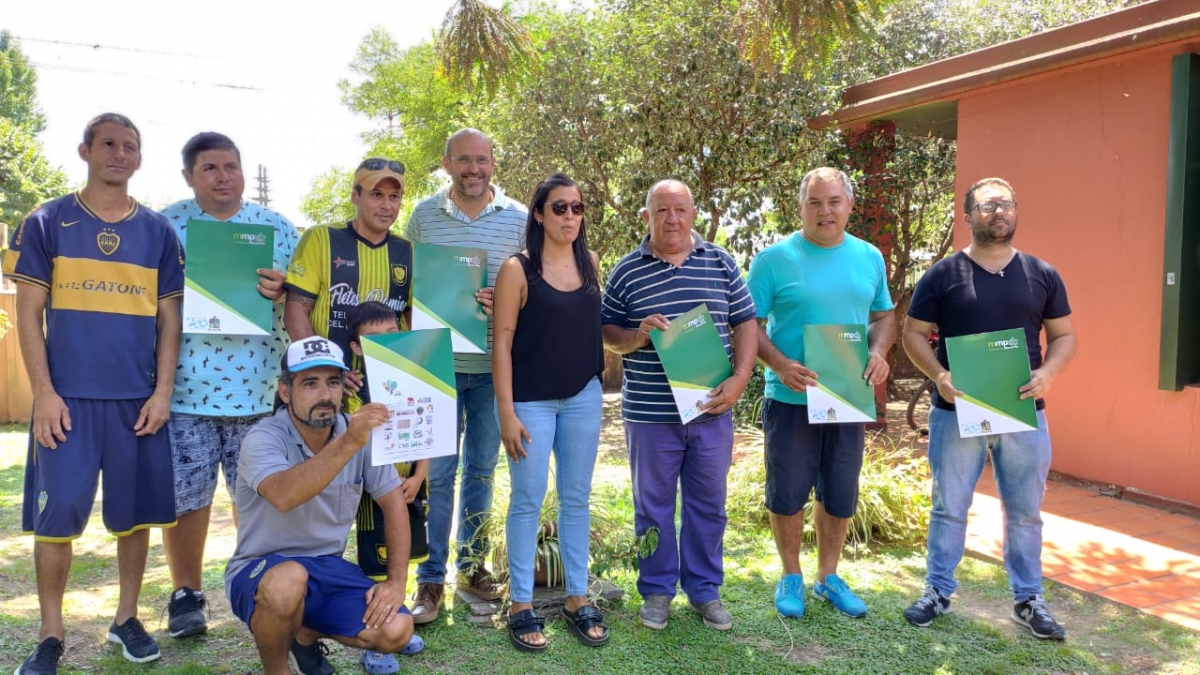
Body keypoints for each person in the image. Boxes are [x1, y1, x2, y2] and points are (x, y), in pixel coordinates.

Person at [3, 113, 184, 672]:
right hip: (68, 402)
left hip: (137, 403)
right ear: (85, 150)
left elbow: (169, 321)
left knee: (134, 519)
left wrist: (161, 394)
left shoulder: (158, 232)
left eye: (131, 146)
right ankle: (50, 635)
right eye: (109, 143)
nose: (120, 153)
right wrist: (45, 393)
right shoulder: (46, 221)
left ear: (139, 158)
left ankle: (126, 619)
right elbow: (28, 314)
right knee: (55, 521)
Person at [901, 177, 1076, 639]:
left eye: (1005, 204)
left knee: (1024, 511)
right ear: (968, 216)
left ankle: (1028, 598)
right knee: (949, 506)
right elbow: (912, 334)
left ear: (1016, 211)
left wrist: (1049, 374)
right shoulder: (943, 274)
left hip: (1024, 413)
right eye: (986, 205)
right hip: (955, 413)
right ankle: (937, 590)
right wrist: (939, 375)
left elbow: (1064, 337)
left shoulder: (1042, 273)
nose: (998, 212)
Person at [159, 131, 300, 639]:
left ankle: (259, 586)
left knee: (258, 498)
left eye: (231, 166)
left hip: (260, 390)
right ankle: (186, 594)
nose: (224, 177)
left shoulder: (277, 227)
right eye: (211, 169)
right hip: (184, 389)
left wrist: (284, 289)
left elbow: (304, 297)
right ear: (189, 176)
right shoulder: (166, 225)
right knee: (187, 499)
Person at [601, 179, 758, 631]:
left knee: (709, 504)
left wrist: (740, 378)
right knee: (651, 506)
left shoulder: (721, 261)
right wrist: (636, 336)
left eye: (680, 209)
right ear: (646, 216)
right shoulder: (628, 269)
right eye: (661, 210)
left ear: (693, 214)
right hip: (650, 415)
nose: (672, 218)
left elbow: (746, 321)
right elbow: (607, 331)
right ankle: (655, 590)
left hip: (711, 410)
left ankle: (705, 590)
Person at [746, 167, 896, 620]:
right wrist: (779, 364)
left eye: (833, 201)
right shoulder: (772, 260)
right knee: (787, 491)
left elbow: (884, 316)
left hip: (847, 395)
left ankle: (828, 576)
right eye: (814, 202)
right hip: (791, 398)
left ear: (849, 206)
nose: (824, 211)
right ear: (801, 208)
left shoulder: (869, 257)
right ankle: (790, 574)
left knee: (840, 490)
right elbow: (748, 326)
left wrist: (880, 351)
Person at [225, 336, 419, 675]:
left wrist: (396, 582)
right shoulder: (263, 437)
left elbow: (393, 502)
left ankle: (304, 632)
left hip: (326, 567)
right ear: (285, 392)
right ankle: (276, 670)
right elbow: (284, 495)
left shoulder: (355, 434)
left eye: (333, 382)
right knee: (288, 581)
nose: (325, 396)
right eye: (310, 384)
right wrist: (349, 443)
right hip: (260, 568)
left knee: (396, 631)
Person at [403, 128, 527, 622]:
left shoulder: (517, 218)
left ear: (493, 163)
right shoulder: (423, 216)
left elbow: (533, 284)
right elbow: (408, 281)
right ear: (446, 163)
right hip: (438, 366)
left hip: (494, 370)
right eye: (463, 161)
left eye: (481, 160)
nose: (472, 169)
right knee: (441, 472)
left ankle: (471, 566)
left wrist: (511, 300)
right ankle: (430, 579)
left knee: (481, 469)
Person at [492, 174, 607, 651]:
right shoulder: (517, 269)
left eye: (577, 208)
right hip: (530, 402)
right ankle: (522, 603)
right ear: (538, 213)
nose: (569, 217)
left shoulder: (593, 263)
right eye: (559, 207)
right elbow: (499, 342)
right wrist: (506, 412)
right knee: (528, 499)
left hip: (583, 396)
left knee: (575, 498)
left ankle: (578, 597)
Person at [284, 157, 412, 360]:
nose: (387, 206)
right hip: (331, 381)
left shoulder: (408, 250)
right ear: (355, 196)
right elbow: (296, 310)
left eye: (394, 197)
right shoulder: (320, 238)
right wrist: (324, 365)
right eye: (377, 195)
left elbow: (413, 317)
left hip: (386, 384)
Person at [345, 301, 430, 580]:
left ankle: (402, 607)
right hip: (375, 493)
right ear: (356, 347)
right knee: (377, 562)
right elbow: (355, 441)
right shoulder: (353, 390)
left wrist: (419, 477)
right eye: (375, 339)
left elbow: (428, 430)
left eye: (393, 333)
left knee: (411, 550)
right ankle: (383, 614)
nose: (387, 344)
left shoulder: (416, 378)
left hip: (411, 486)